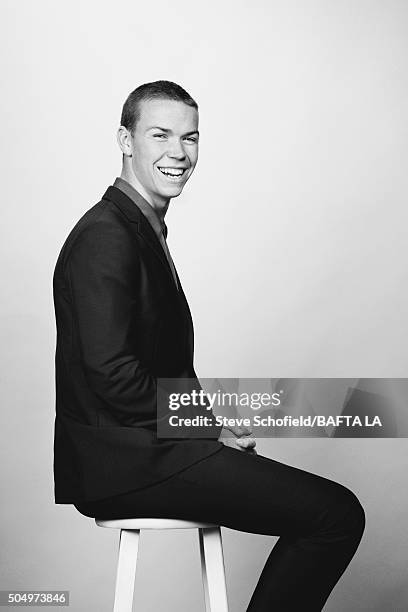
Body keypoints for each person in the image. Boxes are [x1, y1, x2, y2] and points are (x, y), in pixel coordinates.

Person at [53, 80, 365, 610]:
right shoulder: (107, 236)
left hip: (148, 450)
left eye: (190, 138)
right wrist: (206, 426)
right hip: (126, 464)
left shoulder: (140, 230)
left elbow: (154, 365)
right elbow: (112, 374)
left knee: (334, 508)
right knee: (335, 516)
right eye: (160, 135)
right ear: (126, 141)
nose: (178, 152)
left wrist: (211, 422)